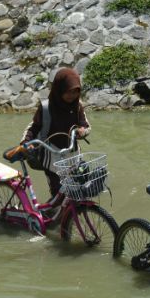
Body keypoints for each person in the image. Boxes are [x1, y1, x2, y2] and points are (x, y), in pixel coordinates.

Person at [20, 67, 91, 200]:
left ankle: (72, 217)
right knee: (58, 192)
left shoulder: (77, 106)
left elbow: (85, 125)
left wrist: (82, 131)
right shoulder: (46, 107)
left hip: (73, 154)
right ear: (59, 90)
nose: (72, 96)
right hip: (52, 156)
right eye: (68, 92)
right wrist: (26, 142)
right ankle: (54, 217)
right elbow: (33, 127)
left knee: (79, 191)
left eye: (75, 92)